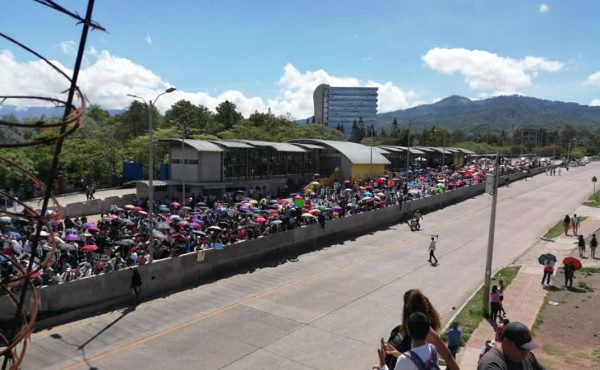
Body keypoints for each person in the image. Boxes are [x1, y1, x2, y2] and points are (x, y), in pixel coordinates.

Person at [382, 289, 459, 370]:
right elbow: (448, 357)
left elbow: (409, 361)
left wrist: (382, 364)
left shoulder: (400, 331)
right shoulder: (432, 347)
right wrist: (398, 354)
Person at [376, 312, 441, 370]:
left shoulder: (404, 359)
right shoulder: (433, 350)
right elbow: (413, 363)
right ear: (428, 331)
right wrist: (397, 353)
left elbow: (409, 363)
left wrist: (382, 361)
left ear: (408, 330)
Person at [477, 321, 546, 370]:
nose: (526, 352)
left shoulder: (528, 357)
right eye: (522, 348)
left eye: (528, 348)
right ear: (506, 342)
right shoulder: (490, 364)